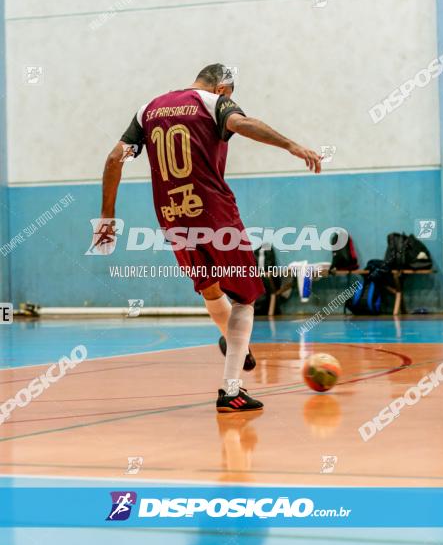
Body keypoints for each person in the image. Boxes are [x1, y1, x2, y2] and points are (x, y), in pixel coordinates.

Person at [99, 64, 321, 412]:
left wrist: (107, 217)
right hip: (213, 212)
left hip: (172, 216)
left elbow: (115, 158)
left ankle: (239, 346)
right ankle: (231, 389)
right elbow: (242, 124)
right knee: (246, 297)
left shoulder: (149, 109)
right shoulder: (210, 103)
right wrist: (291, 145)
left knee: (210, 288)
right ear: (223, 89)